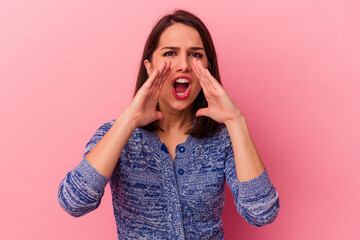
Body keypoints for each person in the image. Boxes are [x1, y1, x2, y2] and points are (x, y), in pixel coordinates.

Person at [58, 9, 279, 239]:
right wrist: (129, 120)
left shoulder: (224, 139)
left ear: (208, 68)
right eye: (170, 53)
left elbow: (261, 212)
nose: (183, 64)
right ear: (150, 67)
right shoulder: (116, 134)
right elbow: (74, 202)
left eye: (195, 54)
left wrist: (236, 121)